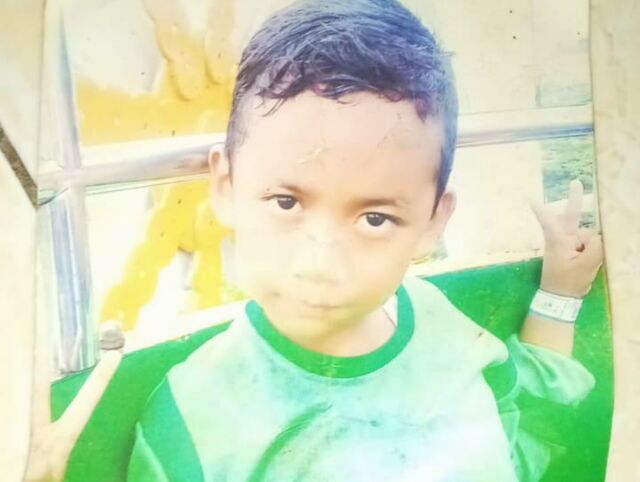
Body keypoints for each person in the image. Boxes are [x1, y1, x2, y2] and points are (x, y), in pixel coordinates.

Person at [28, 1, 603, 481]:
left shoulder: (447, 327)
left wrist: (560, 293)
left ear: (433, 221)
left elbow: (527, 433)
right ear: (225, 186)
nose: (321, 263)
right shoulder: (191, 423)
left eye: (375, 219)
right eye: (287, 203)